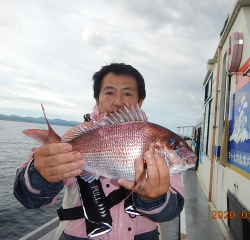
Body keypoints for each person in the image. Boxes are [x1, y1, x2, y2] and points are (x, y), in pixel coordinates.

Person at [14, 63, 185, 240]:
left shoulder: (153, 138)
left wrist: (154, 198)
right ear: (97, 100)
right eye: (110, 92)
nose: (118, 102)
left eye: (127, 93)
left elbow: (171, 210)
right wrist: (39, 174)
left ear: (140, 101)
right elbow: (29, 199)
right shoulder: (77, 138)